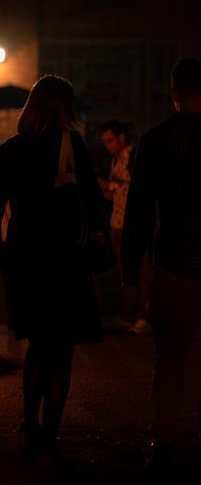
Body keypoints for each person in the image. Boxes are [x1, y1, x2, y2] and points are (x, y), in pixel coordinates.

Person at [0, 75, 108, 464]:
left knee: (37, 344)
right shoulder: (73, 148)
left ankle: (27, 424)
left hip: (25, 257)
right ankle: (50, 431)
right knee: (62, 348)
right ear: (64, 107)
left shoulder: (14, 148)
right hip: (64, 257)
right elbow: (92, 201)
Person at [121, 57, 201, 469]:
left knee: (170, 357)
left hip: (174, 265)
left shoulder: (155, 141)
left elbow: (138, 212)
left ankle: (166, 438)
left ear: (173, 93)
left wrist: (131, 274)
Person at [98, 120, 150, 333]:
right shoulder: (115, 160)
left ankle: (144, 316)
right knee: (123, 270)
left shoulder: (134, 156)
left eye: (110, 140)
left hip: (132, 223)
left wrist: (112, 185)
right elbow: (114, 193)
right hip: (117, 222)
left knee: (139, 269)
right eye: (104, 141)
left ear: (121, 137)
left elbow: (136, 189)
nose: (107, 145)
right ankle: (128, 313)